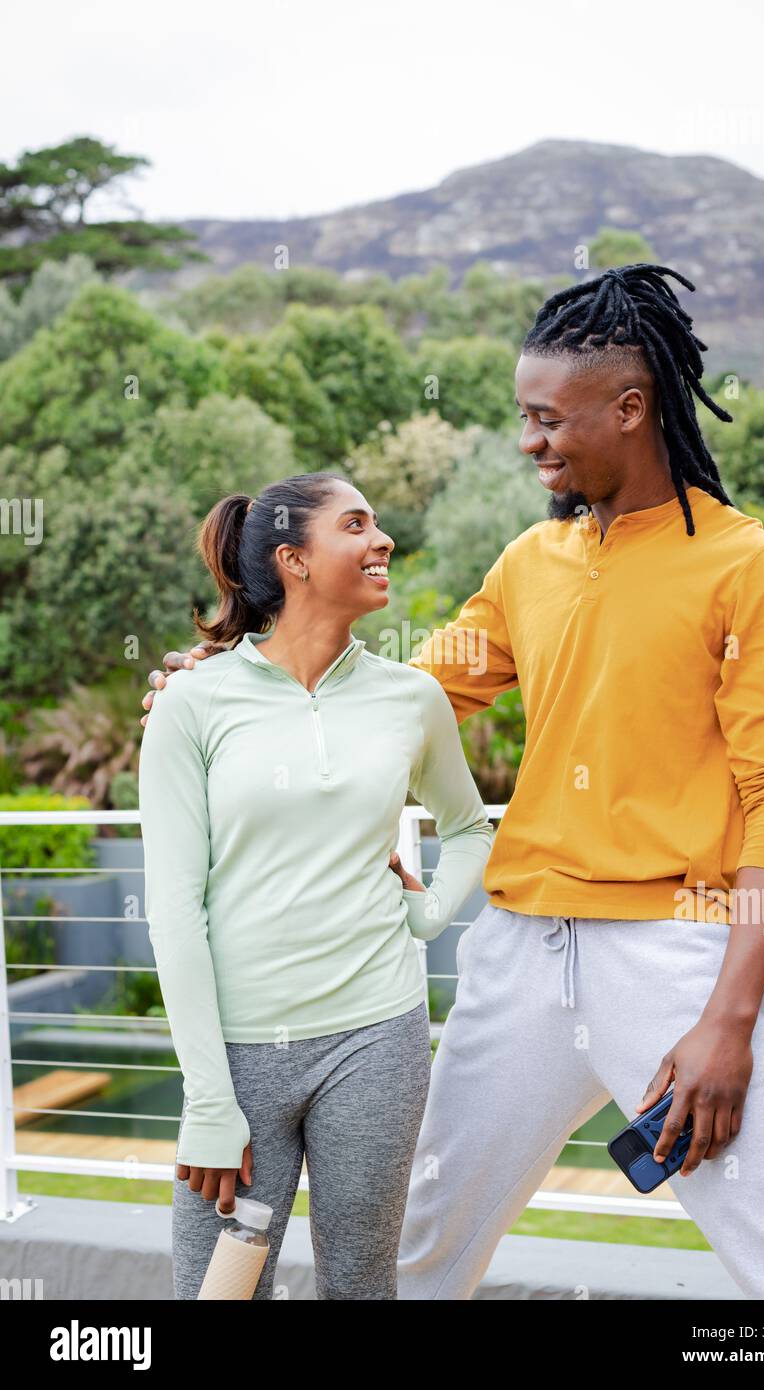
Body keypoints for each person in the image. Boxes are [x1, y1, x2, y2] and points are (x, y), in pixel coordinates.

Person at [142, 263, 764, 1301]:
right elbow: (396, 697)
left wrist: (730, 1016)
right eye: (523, 416)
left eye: (545, 418)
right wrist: (226, 679)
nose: (529, 440)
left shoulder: (749, 569)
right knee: (415, 1258)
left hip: (676, 961)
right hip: (519, 955)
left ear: (631, 406)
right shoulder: (532, 561)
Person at [137, 472, 494, 1300]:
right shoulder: (192, 701)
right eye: (357, 526)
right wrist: (206, 1099)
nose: (383, 541)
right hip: (239, 1046)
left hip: (378, 1035)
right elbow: (173, 912)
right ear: (293, 558)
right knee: (221, 1288)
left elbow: (469, 825)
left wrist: (432, 911)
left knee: (362, 1285)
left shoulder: (411, 696)